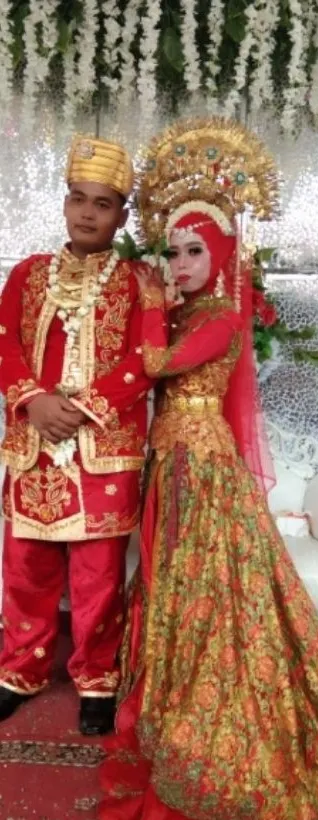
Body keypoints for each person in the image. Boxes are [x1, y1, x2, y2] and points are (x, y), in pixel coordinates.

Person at [99, 118, 318, 820]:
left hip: (201, 468)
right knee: (176, 580)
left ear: (224, 251)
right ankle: (172, 690)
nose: (178, 263)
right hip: (173, 464)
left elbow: (152, 370)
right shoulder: (188, 311)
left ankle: (212, 700)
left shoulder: (218, 321)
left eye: (194, 250)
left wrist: (147, 302)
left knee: (211, 588)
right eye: (171, 251)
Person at [0, 134, 155, 735]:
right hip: (34, 440)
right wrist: (33, 401)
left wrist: (82, 407)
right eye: (78, 199)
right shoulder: (28, 274)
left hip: (102, 447)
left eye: (104, 202)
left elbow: (144, 360)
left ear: (122, 214)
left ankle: (97, 677)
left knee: (97, 575)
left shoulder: (141, 280)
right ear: (65, 204)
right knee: (27, 566)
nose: (88, 212)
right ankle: (20, 670)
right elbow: (5, 342)